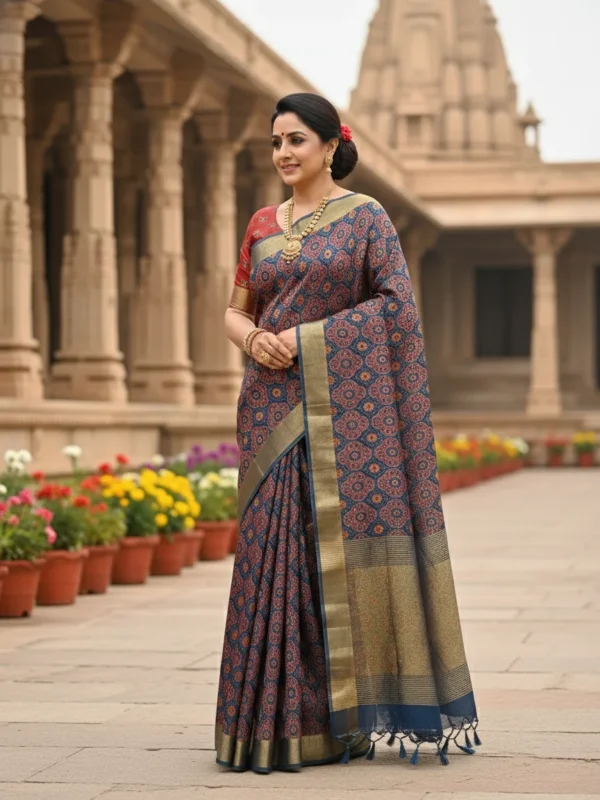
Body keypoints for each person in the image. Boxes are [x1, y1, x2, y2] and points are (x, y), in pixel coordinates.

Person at [215, 92, 480, 774]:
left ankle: (343, 719)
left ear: (331, 145)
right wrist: (252, 340)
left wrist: (301, 340)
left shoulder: (366, 219)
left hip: (343, 412)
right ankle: (271, 724)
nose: (283, 154)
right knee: (272, 560)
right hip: (270, 407)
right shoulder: (260, 226)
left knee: (327, 555)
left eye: (296, 140)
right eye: (276, 141)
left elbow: (395, 309)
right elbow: (235, 308)